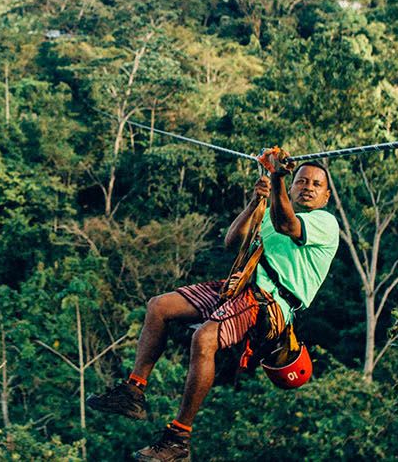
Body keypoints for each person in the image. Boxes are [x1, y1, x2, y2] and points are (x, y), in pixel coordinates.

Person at [87, 148, 339, 461]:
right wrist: (254, 203)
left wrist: (276, 178)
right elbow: (233, 241)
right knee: (159, 306)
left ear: (326, 196)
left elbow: (288, 225)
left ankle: (178, 437)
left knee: (203, 339)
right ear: (292, 187)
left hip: (269, 302)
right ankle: (133, 391)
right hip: (238, 287)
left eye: (316, 184)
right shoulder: (274, 214)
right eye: (302, 181)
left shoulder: (325, 223)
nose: (309, 187)